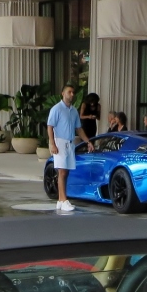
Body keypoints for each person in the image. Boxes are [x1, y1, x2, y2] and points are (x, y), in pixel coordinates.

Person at [47, 84, 94, 214]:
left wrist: (88, 141)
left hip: (70, 143)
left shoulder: (74, 111)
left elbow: (78, 128)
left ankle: (61, 201)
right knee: (61, 171)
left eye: (73, 92)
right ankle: (63, 199)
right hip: (59, 142)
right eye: (69, 92)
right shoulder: (56, 109)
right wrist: (52, 144)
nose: (72, 94)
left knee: (66, 172)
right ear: (63, 93)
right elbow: (50, 126)